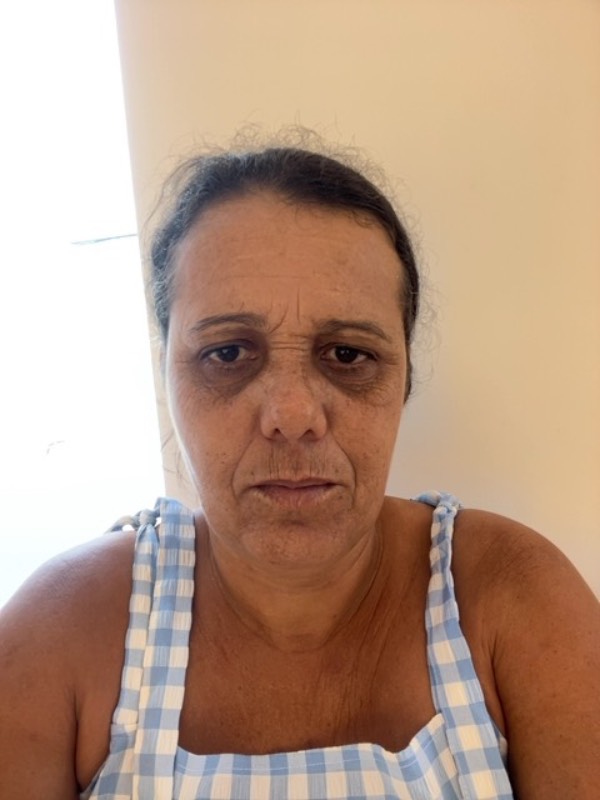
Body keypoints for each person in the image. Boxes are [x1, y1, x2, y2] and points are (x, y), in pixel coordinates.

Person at [0, 143, 598, 800]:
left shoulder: (515, 598)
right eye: (228, 353)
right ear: (166, 375)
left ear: (403, 378)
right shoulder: (62, 630)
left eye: (348, 354)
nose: (291, 415)